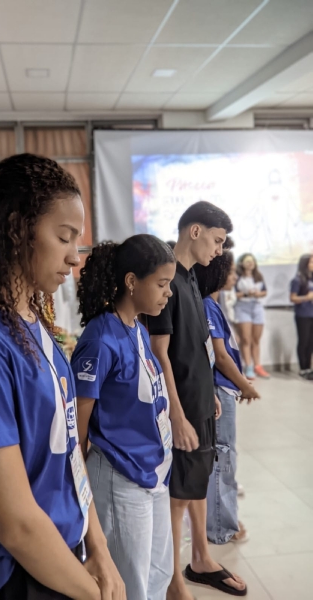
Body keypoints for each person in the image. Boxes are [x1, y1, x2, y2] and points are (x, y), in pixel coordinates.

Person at [0, 154, 125, 600]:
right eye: (64, 237)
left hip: (60, 555)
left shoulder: (35, 328)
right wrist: (91, 592)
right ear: (18, 230)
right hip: (14, 575)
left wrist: (97, 545)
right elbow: (17, 525)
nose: (74, 256)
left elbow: (69, 450)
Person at [147, 201, 247, 599]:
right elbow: (160, 353)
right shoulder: (167, 279)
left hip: (200, 399)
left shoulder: (191, 278)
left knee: (199, 483)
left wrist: (209, 392)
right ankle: (174, 580)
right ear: (195, 231)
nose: (219, 250)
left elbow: (200, 345)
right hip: (182, 407)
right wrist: (176, 414)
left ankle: (202, 558)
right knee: (178, 496)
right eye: (217, 240)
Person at [71, 234, 176, 600]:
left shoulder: (137, 329)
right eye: (162, 284)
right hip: (121, 477)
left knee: (158, 574)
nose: (168, 293)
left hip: (154, 472)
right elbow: (77, 429)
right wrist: (83, 495)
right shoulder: (100, 340)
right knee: (132, 586)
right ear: (132, 282)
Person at [194, 243, 260, 547]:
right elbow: (219, 356)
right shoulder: (207, 305)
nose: (233, 276)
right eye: (230, 271)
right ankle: (222, 526)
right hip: (218, 387)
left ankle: (223, 518)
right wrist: (244, 384)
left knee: (224, 456)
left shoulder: (213, 304)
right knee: (223, 458)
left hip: (223, 386)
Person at [234, 253, 269, 380]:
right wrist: (246, 294)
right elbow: (232, 293)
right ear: (242, 263)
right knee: (246, 339)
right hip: (243, 307)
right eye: (247, 261)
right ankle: (248, 366)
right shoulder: (237, 277)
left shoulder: (258, 276)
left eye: (252, 261)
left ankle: (257, 365)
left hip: (257, 307)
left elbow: (264, 291)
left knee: (256, 339)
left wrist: (258, 294)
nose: (250, 263)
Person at [290, 253, 313, 380]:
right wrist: (306, 297)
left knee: (311, 342)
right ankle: (303, 368)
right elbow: (292, 298)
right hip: (303, 314)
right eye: (311, 262)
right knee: (304, 341)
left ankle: (309, 368)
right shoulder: (298, 279)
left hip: (312, 313)